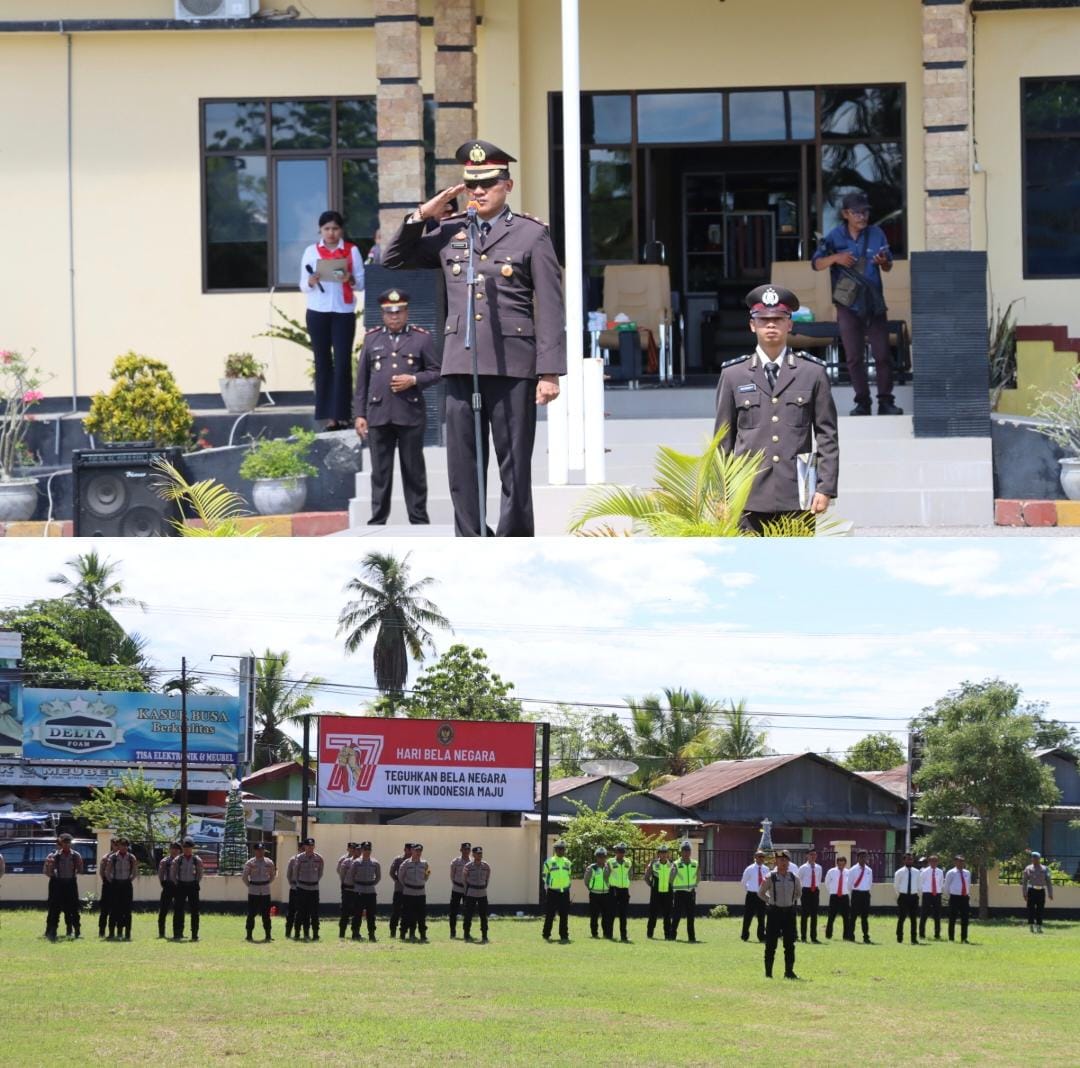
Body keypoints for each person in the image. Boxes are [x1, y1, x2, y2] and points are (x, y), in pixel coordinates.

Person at [383, 139, 567, 537]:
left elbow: (550, 306)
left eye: (488, 184)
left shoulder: (531, 235)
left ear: (508, 186)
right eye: (472, 185)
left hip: (512, 363)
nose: (479, 192)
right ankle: (471, 540)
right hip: (460, 360)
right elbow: (393, 259)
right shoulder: (450, 232)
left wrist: (549, 371)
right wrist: (422, 215)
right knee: (463, 464)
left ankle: (514, 541)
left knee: (513, 463)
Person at [714, 285, 839, 534]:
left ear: (789, 325)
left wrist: (825, 488)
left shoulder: (812, 373)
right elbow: (723, 440)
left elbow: (826, 435)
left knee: (796, 569)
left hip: (796, 493)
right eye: (764, 320)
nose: (771, 326)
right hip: (748, 494)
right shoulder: (733, 375)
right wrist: (720, 494)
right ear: (753, 325)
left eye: (778, 320)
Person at [353, 288, 441, 525]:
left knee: (413, 470)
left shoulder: (421, 338)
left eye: (399, 312)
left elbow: (436, 372)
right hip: (378, 414)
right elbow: (362, 380)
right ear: (383, 314)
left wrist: (413, 380)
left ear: (406, 312)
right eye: (389, 313)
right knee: (380, 472)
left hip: (409, 413)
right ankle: (378, 519)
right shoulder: (372, 339)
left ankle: (419, 519)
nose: (394, 317)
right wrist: (359, 414)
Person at [811, 190, 901, 417]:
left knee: (882, 355)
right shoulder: (834, 237)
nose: (863, 216)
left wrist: (883, 262)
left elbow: (888, 265)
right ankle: (862, 402)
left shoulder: (877, 233)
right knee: (853, 356)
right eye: (857, 212)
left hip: (873, 304)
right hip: (848, 305)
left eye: (865, 212)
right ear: (845, 214)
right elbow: (817, 264)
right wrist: (836, 258)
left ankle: (885, 402)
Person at [300, 209, 365, 430]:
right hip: (317, 310)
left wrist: (350, 278)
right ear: (320, 230)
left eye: (335, 228)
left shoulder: (351, 250)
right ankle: (328, 416)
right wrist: (311, 280)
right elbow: (302, 285)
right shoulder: (311, 251)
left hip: (343, 311)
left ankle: (343, 413)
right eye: (327, 228)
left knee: (343, 362)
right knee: (322, 362)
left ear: (341, 230)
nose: (331, 233)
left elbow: (361, 283)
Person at [759, 850, 801, 980]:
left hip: (789, 912)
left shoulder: (794, 878)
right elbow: (761, 893)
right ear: (776, 861)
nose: (783, 862)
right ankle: (768, 973)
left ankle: (789, 972)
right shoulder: (770, 877)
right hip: (774, 912)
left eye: (785, 860)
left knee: (789, 944)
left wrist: (790, 900)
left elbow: (798, 893)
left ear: (789, 862)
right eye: (780, 860)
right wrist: (770, 901)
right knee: (771, 943)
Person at [44, 832, 83, 941]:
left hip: (71, 883)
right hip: (58, 884)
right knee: (55, 909)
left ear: (71, 844)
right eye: (64, 843)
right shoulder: (54, 856)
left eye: (68, 843)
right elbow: (48, 873)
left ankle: (77, 931)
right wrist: (49, 866)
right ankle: (52, 931)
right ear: (61, 844)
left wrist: (78, 864)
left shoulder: (76, 855)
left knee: (74, 909)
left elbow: (80, 870)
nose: (66, 845)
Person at [286, 837, 324, 942]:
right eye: (308, 846)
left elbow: (320, 873)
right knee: (301, 912)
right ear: (305, 847)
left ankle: (315, 934)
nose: (310, 847)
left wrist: (314, 881)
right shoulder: (299, 858)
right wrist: (300, 883)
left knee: (314, 913)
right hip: (302, 888)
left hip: (314, 888)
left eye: (312, 845)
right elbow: (295, 873)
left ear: (314, 846)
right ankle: (298, 933)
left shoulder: (319, 858)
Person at [171, 838, 204, 942]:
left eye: (189, 847)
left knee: (195, 911)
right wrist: (177, 883)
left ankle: (194, 934)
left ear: (192, 848)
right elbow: (173, 873)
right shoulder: (178, 859)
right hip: (181, 885)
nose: (187, 849)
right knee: (178, 910)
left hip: (192, 886)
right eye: (185, 847)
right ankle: (177, 933)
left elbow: (200, 873)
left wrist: (196, 882)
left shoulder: (197, 860)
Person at [242, 842, 276, 942]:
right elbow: (244, 877)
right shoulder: (250, 863)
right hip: (254, 891)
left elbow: (272, 876)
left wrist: (266, 884)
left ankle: (268, 935)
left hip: (265, 891)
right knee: (251, 914)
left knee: (266, 914)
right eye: (258, 850)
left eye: (262, 850)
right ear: (255, 851)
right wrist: (251, 885)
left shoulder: (269, 862)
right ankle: (249, 935)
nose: (261, 852)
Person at [348, 841, 381, 942]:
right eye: (365, 849)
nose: (367, 851)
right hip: (359, 890)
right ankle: (355, 933)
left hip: (371, 891)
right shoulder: (356, 862)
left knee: (371, 915)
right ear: (361, 850)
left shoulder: (375, 863)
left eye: (369, 849)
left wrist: (370, 884)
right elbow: (351, 876)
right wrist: (359, 885)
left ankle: (372, 934)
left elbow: (378, 877)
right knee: (357, 914)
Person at [106, 837, 138, 941]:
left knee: (127, 910)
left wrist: (129, 880)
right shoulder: (113, 857)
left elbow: (135, 872)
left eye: (125, 845)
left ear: (127, 846)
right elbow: (107, 872)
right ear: (118, 846)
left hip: (126, 885)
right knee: (114, 909)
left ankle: (127, 933)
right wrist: (112, 882)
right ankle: (112, 932)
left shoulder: (131, 857)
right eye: (121, 845)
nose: (123, 847)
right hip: (115, 884)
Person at [398, 842, 431, 942]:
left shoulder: (425, 863)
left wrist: (422, 882)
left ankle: (422, 934)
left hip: (420, 893)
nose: (418, 853)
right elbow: (400, 877)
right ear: (412, 851)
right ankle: (403, 933)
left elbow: (428, 874)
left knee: (421, 915)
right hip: (409, 893)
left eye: (420, 851)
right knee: (406, 914)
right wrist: (408, 885)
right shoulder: (406, 863)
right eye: (416, 850)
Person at [542, 840, 572, 943]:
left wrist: (568, 885)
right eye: (559, 848)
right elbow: (544, 876)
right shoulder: (549, 862)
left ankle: (564, 935)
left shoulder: (568, 862)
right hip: (553, 892)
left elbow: (569, 875)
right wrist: (550, 884)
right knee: (550, 914)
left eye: (562, 849)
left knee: (564, 915)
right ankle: (546, 934)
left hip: (565, 892)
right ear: (555, 850)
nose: (561, 850)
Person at [670, 841, 699, 943]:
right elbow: (671, 878)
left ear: (690, 852)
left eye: (688, 851)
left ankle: (692, 937)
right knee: (677, 915)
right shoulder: (676, 864)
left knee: (691, 916)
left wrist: (695, 884)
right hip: (679, 893)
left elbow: (698, 876)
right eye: (684, 851)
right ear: (681, 852)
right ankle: (672, 935)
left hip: (690, 892)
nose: (686, 853)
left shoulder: (695, 863)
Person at [461, 844, 491, 943]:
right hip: (471, 892)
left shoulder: (486, 866)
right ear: (473, 854)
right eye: (477, 853)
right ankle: (466, 934)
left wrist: (483, 887)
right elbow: (464, 880)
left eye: (481, 853)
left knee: (483, 915)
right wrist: (467, 891)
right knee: (468, 915)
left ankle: (484, 935)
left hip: (482, 893)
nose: (480, 855)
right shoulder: (468, 866)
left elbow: (487, 879)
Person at [645, 844, 676, 941]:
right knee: (653, 914)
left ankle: (667, 935)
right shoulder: (653, 864)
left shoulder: (671, 865)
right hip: (656, 894)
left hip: (668, 893)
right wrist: (652, 885)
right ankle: (650, 934)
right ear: (658, 854)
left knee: (667, 915)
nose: (663, 855)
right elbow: (646, 877)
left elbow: (674, 878)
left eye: (665, 853)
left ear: (668, 854)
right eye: (661, 853)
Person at [740, 849, 769, 943]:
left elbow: (768, 883)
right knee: (748, 916)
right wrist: (749, 890)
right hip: (752, 895)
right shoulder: (750, 869)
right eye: (759, 856)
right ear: (755, 857)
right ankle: (745, 935)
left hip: (762, 895)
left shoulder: (766, 869)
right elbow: (743, 882)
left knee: (761, 917)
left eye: (763, 857)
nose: (761, 858)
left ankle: (761, 936)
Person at [1022, 851, 1054, 934]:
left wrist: (1050, 893)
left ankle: (1039, 926)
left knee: (1040, 909)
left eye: (1036, 858)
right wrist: (1024, 893)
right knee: (1031, 909)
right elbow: (1025, 882)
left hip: (1041, 891)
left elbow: (1048, 882)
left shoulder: (1045, 869)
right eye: (1033, 858)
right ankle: (1031, 926)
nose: (1034, 859)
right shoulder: (1028, 868)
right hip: (1031, 891)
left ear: (1039, 859)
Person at [584, 847, 612, 940]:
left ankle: (606, 934)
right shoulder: (592, 868)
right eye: (599, 856)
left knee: (606, 916)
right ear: (596, 857)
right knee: (594, 915)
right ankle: (594, 933)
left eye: (603, 856)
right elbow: (586, 880)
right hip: (594, 894)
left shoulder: (609, 867)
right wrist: (591, 888)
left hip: (606, 894)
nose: (601, 858)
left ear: (606, 857)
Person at [893, 852, 920, 945]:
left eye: (911, 859)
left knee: (913, 918)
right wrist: (900, 895)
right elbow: (896, 886)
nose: (910, 860)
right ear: (904, 860)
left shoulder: (917, 872)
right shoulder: (899, 872)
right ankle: (899, 937)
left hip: (913, 897)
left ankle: (914, 938)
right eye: (908, 859)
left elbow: (919, 885)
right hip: (903, 897)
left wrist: (916, 894)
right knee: (902, 918)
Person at [797, 847, 822, 944]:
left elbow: (819, 880)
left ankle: (813, 937)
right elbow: (799, 880)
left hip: (815, 891)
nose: (813, 857)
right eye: (811, 855)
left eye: (814, 855)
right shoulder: (803, 868)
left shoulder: (819, 867)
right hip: (806, 891)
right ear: (807, 856)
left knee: (814, 915)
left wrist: (815, 888)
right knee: (804, 914)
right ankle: (803, 937)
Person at [944, 854, 972, 943]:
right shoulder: (951, 872)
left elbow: (968, 884)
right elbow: (946, 886)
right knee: (952, 918)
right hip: (954, 897)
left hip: (964, 897)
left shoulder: (967, 873)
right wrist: (949, 896)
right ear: (955, 862)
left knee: (965, 918)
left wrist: (967, 894)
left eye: (962, 861)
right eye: (959, 861)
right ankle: (951, 938)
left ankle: (964, 938)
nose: (961, 863)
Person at [824, 855, 852, 941]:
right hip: (834, 896)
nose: (841, 866)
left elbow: (850, 884)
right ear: (837, 863)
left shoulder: (849, 872)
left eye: (843, 864)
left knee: (846, 917)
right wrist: (832, 891)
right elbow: (827, 883)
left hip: (844, 896)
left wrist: (846, 891)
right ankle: (828, 935)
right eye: (839, 864)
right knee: (831, 916)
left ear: (845, 864)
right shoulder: (831, 871)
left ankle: (846, 936)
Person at [388, 841, 412, 938]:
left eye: (411, 850)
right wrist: (397, 880)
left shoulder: (414, 861)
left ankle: (406, 932)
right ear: (404, 849)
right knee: (396, 912)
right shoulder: (398, 860)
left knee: (408, 912)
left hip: (410, 891)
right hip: (399, 890)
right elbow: (391, 872)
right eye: (408, 849)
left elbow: (427, 871)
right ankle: (393, 931)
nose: (410, 852)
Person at [448, 841, 472, 939]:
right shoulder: (455, 861)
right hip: (457, 889)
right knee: (453, 912)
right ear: (461, 850)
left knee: (468, 912)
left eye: (468, 849)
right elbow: (452, 875)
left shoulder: (472, 862)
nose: (466, 851)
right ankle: (452, 932)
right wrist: (457, 884)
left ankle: (466, 932)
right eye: (464, 849)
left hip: (468, 890)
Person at [849, 849, 874, 943]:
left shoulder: (869, 870)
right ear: (857, 858)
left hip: (865, 894)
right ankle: (851, 936)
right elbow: (849, 884)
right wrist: (853, 893)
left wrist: (866, 892)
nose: (863, 859)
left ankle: (866, 936)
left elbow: (870, 883)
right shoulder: (853, 870)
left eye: (865, 857)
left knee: (864, 917)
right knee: (853, 916)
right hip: (856, 894)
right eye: (861, 857)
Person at [337, 841, 360, 940]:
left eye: (356, 849)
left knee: (357, 912)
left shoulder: (361, 861)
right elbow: (340, 872)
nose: (354, 850)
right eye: (352, 848)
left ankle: (356, 932)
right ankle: (342, 932)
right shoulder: (345, 860)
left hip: (358, 890)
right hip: (347, 888)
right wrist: (345, 883)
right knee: (345, 912)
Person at [157, 841, 180, 939]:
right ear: (170, 849)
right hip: (168, 886)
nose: (174, 850)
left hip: (179, 886)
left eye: (177, 848)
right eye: (173, 848)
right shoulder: (165, 861)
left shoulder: (181, 860)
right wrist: (164, 884)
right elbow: (160, 874)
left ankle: (178, 932)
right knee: (163, 910)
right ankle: (161, 933)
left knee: (179, 910)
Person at [919, 854, 944, 940]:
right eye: (932, 861)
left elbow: (941, 883)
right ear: (929, 862)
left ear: (938, 862)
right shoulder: (924, 871)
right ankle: (922, 934)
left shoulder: (940, 872)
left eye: (935, 861)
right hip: (927, 894)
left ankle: (937, 934)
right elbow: (921, 882)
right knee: (924, 914)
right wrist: (925, 890)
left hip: (937, 894)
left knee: (937, 915)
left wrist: (938, 891)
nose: (934, 863)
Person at [98, 836, 118, 939]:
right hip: (108, 885)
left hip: (118, 885)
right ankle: (101, 931)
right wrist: (108, 882)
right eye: (115, 844)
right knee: (104, 910)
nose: (117, 847)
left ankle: (112, 931)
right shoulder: (106, 857)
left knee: (115, 910)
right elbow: (102, 873)